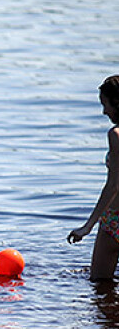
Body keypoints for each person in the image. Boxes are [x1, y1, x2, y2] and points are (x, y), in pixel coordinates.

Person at [68, 75, 119, 280]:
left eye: (105, 104)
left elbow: (114, 185)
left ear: (117, 103)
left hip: (115, 220)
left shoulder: (116, 134)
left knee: (100, 285)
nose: (104, 111)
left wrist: (87, 226)